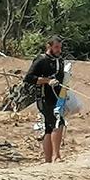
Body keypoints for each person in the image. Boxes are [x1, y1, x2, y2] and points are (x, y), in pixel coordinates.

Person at [24, 35, 65, 163]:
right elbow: (29, 78)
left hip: (57, 98)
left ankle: (48, 160)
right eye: (56, 47)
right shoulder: (41, 60)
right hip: (44, 98)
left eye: (60, 47)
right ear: (49, 46)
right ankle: (56, 156)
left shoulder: (60, 61)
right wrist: (47, 81)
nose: (59, 50)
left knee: (49, 127)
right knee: (58, 122)